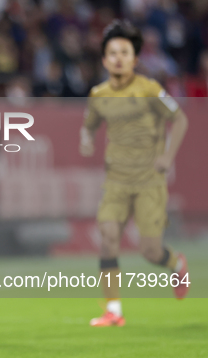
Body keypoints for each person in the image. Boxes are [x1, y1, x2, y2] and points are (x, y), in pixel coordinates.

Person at [79, 20, 189, 327]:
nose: (117, 58)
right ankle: (113, 310)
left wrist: (167, 156)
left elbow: (180, 120)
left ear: (135, 59)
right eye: (112, 52)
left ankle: (176, 262)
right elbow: (88, 125)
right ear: (103, 59)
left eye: (124, 52)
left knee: (150, 251)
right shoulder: (98, 95)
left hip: (148, 180)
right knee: (108, 237)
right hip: (116, 180)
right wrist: (86, 139)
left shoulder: (150, 89)